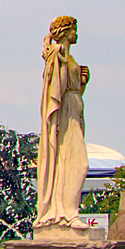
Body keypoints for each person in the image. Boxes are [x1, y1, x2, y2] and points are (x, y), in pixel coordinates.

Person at [35, 15, 90, 230]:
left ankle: (68, 211)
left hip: (75, 110)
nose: (76, 33)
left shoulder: (68, 57)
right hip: (65, 113)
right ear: (65, 31)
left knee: (67, 162)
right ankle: (68, 213)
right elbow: (56, 92)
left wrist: (82, 82)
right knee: (79, 163)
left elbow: (70, 89)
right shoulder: (58, 55)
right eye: (74, 29)